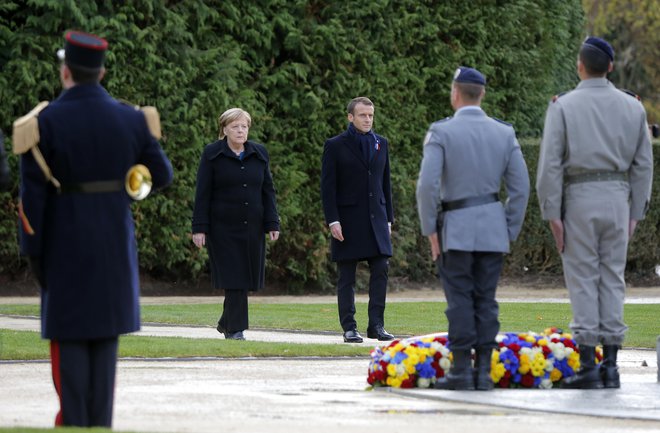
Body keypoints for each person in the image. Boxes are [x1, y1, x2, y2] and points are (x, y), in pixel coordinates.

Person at [14, 30, 173, 427]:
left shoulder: (44, 121)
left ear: (66, 71)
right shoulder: (132, 118)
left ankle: (76, 422)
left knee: (70, 345)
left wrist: (33, 255)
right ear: (101, 72)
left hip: (63, 246)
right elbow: (163, 175)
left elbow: (31, 202)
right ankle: (100, 423)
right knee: (105, 342)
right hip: (114, 244)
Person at [536, 37, 653, 389]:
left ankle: (589, 366)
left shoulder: (563, 106)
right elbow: (643, 165)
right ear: (612, 67)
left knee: (584, 279)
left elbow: (549, 166)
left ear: (580, 66)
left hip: (578, 198)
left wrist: (552, 214)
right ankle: (612, 366)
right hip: (618, 199)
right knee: (613, 279)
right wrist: (635, 211)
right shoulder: (633, 108)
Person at [416, 67, 530, 390]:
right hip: (493, 230)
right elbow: (521, 189)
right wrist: (507, 228)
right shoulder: (504, 133)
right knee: (486, 300)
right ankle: (483, 373)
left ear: (455, 94)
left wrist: (431, 230)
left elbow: (427, 186)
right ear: (482, 95)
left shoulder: (441, 132)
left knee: (460, 300)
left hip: (456, 230)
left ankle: (462, 370)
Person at [192, 108, 280, 341]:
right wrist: (199, 227)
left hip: (252, 226)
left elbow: (267, 191)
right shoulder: (212, 154)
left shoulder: (259, 153)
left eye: (244, 126)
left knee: (244, 278)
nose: (240, 131)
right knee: (234, 277)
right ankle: (235, 329)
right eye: (235, 126)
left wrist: (273, 222)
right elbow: (203, 193)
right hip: (222, 228)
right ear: (224, 129)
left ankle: (225, 322)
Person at [321, 97, 395, 343]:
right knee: (347, 276)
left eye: (370, 115)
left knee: (381, 268)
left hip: (378, 220)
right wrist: (333, 220)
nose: (367, 119)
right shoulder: (335, 145)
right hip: (348, 220)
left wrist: (389, 219)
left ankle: (376, 325)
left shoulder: (381, 144)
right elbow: (328, 188)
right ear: (350, 117)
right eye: (362, 115)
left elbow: (386, 184)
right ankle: (349, 328)